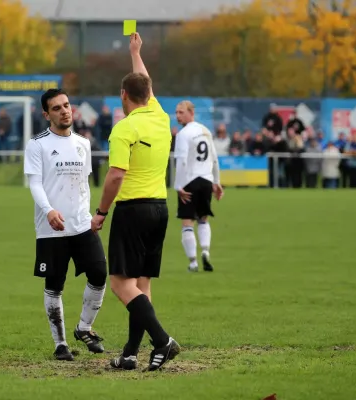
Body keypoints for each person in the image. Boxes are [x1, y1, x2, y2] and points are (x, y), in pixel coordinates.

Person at [91, 32, 179, 372]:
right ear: (148, 94)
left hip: (132, 210)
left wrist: (100, 213)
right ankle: (130, 353)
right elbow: (146, 82)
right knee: (142, 284)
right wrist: (135, 52)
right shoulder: (160, 116)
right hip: (160, 208)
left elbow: (115, 176)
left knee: (120, 283)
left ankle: (162, 341)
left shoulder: (123, 129)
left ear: (123, 95)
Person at [23, 88, 107, 362]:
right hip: (51, 229)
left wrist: (94, 216)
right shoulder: (37, 144)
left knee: (99, 273)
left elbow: (83, 186)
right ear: (47, 114)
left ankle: (84, 327)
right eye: (57, 108)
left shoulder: (83, 143)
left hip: (82, 225)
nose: (65, 110)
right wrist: (48, 210)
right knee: (54, 285)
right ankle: (60, 344)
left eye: (67, 105)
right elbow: (35, 183)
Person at [173, 100, 223, 273]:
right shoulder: (205, 131)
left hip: (189, 181)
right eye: (177, 113)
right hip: (207, 180)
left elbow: (181, 161)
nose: (178, 116)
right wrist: (216, 182)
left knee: (187, 222)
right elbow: (214, 159)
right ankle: (206, 252)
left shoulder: (183, 134)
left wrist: (178, 185)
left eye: (181, 112)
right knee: (203, 218)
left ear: (191, 113)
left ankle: (193, 262)